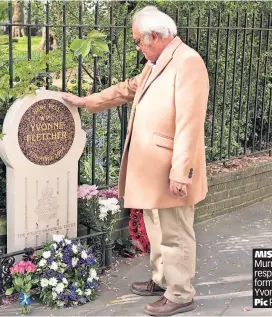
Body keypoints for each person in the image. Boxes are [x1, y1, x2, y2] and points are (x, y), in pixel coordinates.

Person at [63, 6, 209, 316]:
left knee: (176, 232)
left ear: (154, 36)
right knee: (156, 227)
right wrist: (85, 102)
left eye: (138, 41)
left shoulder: (188, 62)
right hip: (153, 169)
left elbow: (190, 122)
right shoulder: (156, 63)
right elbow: (128, 89)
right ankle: (162, 279)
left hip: (172, 169)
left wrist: (181, 172)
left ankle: (180, 294)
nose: (138, 47)